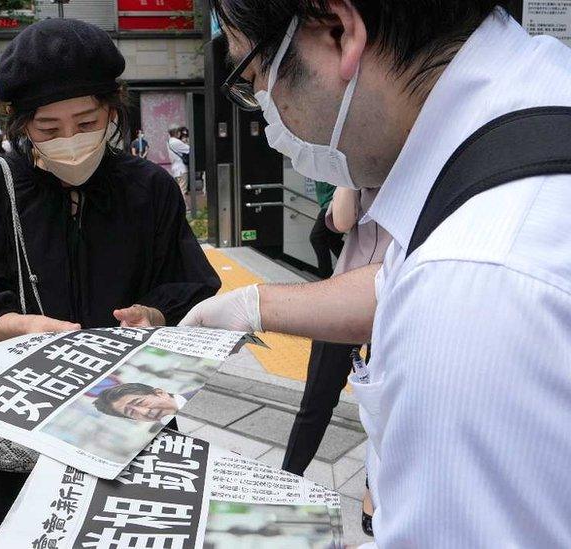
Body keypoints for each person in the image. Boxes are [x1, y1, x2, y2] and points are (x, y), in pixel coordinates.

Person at [185, 2, 571, 545]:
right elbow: (392, 282)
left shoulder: (469, 292)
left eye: (254, 77)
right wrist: (254, 305)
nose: (265, 110)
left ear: (340, 31)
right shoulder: (538, 89)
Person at [0, 18, 220, 549]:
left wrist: (153, 313)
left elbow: (192, 282)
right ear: (22, 127)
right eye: (48, 129)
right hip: (28, 418)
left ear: (113, 111)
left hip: (132, 416)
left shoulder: (148, 186)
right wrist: (15, 324)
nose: (71, 141)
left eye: (86, 121)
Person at [284, 186, 391, 534]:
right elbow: (342, 220)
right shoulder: (362, 165)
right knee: (316, 400)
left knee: (386, 410)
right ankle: (285, 485)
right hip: (345, 296)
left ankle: (372, 491)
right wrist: (350, 173)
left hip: (396, 299)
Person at [93, 383, 198, 423]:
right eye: (131, 413)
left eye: (140, 402)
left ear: (160, 393)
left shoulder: (209, 393)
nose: (145, 412)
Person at [308, 181, 344, 279]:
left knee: (316, 238)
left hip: (332, 204)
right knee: (333, 240)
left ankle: (326, 276)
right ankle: (352, 267)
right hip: (331, 204)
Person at [167, 125, 191, 211]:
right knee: (182, 189)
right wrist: (186, 142)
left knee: (180, 188)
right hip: (181, 169)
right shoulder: (176, 142)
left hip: (175, 168)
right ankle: (183, 207)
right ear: (177, 132)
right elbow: (189, 149)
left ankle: (182, 206)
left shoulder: (169, 141)